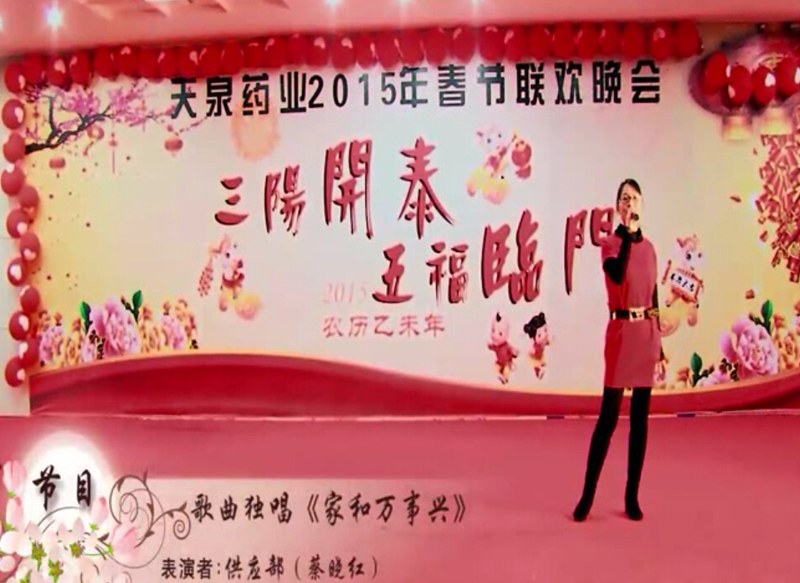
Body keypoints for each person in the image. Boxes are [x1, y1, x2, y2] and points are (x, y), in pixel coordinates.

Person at [572, 178, 666, 522]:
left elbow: (654, 297)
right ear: (618, 206)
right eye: (625, 199)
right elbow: (617, 276)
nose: (630, 203)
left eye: (635, 198)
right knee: (608, 418)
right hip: (622, 332)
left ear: (642, 204)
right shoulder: (610, 243)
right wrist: (627, 234)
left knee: (640, 421)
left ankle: (632, 496)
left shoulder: (651, 249)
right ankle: (587, 495)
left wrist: (660, 342)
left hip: (646, 335)